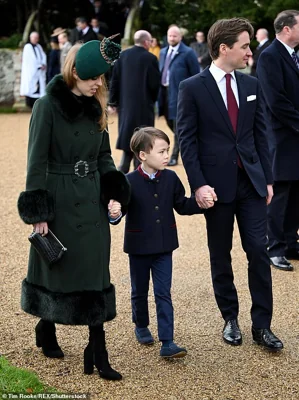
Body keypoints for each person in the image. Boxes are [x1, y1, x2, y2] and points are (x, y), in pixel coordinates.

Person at [17, 38, 131, 380]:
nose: (99, 83)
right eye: (93, 77)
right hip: (60, 196)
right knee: (61, 266)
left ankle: (97, 350)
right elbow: (35, 162)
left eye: (103, 77)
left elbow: (104, 155)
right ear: (75, 71)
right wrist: (38, 211)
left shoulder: (98, 104)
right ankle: (46, 325)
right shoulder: (47, 106)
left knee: (95, 270)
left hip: (92, 194)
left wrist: (113, 190)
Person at [177, 18, 283, 352]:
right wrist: (198, 185)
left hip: (251, 185)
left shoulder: (251, 86)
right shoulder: (192, 87)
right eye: (244, 45)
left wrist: (267, 179)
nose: (250, 52)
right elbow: (188, 140)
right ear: (224, 48)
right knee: (220, 255)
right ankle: (230, 318)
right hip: (216, 188)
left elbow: (261, 136)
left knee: (258, 251)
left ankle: (262, 326)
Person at [112, 127, 213, 358]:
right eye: (161, 151)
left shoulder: (171, 178)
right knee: (139, 291)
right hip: (138, 247)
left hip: (164, 247)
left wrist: (201, 204)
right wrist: (115, 212)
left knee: (163, 292)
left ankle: (168, 341)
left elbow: (182, 205)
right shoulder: (128, 181)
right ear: (143, 155)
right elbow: (119, 213)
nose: (167, 156)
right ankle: (140, 324)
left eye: (168, 150)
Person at [257, 10, 299, 271]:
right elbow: (276, 102)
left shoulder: (295, 55)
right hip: (281, 136)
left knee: (297, 193)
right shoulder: (269, 56)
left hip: (295, 136)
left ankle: (291, 243)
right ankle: (274, 248)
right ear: (286, 29)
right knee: (281, 194)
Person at [108, 30, 160, 173]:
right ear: (145, 42)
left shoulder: (122, 56)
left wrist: (113, 102)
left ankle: (122, 180)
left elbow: (115, 81)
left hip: (126, 108)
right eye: (150, 41)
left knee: (127, 146)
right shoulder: (150, 58)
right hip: (144, 108)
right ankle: (138, 180)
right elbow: (155, 85)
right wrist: (153, 100)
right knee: (143, 145)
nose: (151, 44)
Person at [159, 25, 199, 166]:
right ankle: (186, 142)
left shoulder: (188, 53)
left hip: (180, 94)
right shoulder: (163, 52)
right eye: (170, 36)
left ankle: (175, 155)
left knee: (178, 126)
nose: (172, 38)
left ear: (180, 37)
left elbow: (196, 75)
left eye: (174, 36)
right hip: (164, 93)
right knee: (169, 121)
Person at [20, 31, 47, 109]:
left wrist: (43, 64)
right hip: (31, 71)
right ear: (30, 38)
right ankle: (30, 104)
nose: (36, 39)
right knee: (31, 87)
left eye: (37, 38)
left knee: (40, 88)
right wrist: (38, 65)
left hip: (39, 71)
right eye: (34, 38)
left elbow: (43, 56)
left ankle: (39, 105)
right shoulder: (27, 47)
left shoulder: (39, 46)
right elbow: (30, 59)